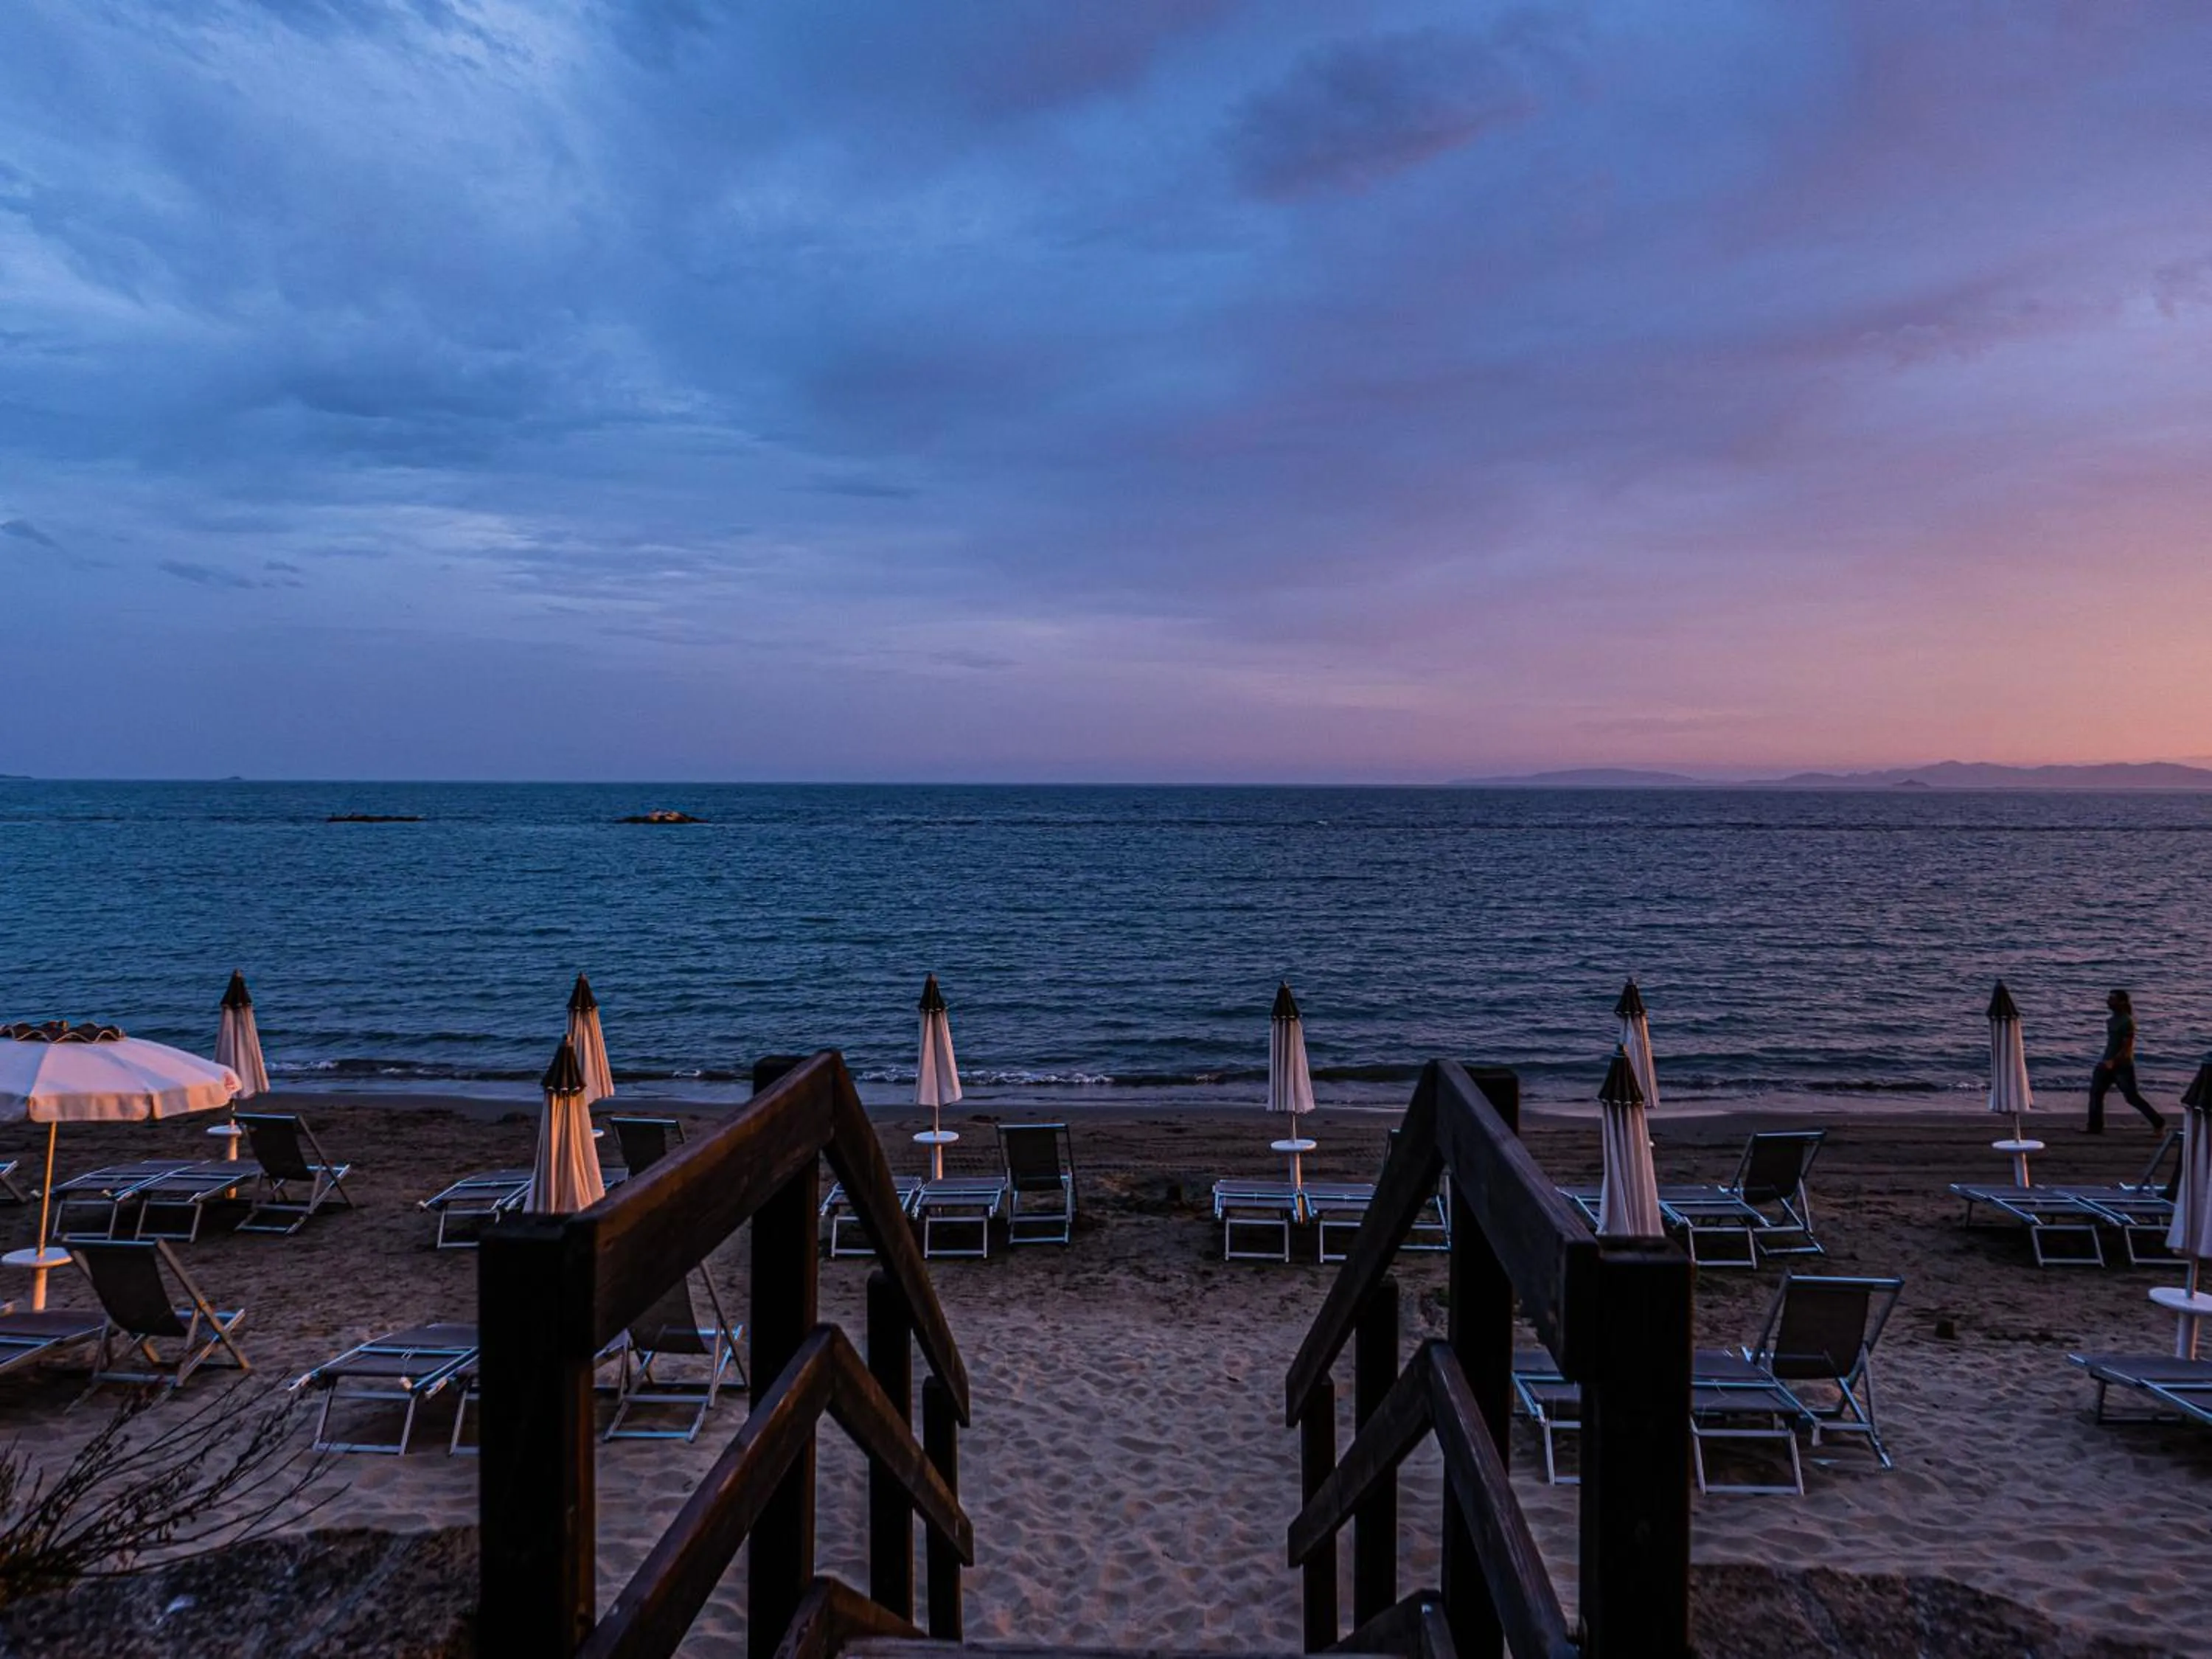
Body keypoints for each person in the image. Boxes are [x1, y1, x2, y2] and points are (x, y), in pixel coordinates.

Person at [2087, 988, 2165, 1134]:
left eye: (2113, 999)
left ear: (2122, 1002)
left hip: (2122, 1066)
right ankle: (2094, 1127)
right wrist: (2106, 1060)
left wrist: (2114, 1061)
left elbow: (2127, 1047)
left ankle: (2158, 1122)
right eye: (2109, 999)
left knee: (2132, 1097)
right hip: (2106, 1062)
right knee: (2096, 1093)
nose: (2108, 1002)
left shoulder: (2126, 1021)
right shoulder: (2112, 1020)